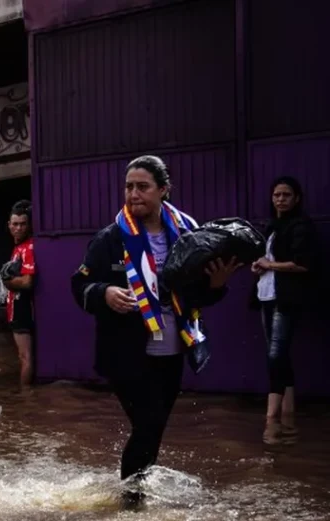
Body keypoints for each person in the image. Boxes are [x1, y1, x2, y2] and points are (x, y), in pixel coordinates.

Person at [71, 155, 241, 500]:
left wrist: (216, 285)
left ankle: (136, 491)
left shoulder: (188, 236)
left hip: (172, 349)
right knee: (148, 424)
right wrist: (105, 293)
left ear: (163, 190)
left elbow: (197, 296)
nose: (134, 194)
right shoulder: (110, 238)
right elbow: (79, 285)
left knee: (154, 428)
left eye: (143, 187)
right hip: (125, 352)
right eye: (129, 186)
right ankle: (130, 504)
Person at [251, 176, 317, 445]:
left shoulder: (301, 227)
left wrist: (270, 265)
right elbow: (267, 261)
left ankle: (271, 419)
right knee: (279, 353)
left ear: (297, 198)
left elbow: (303, 265)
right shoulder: (272, 228)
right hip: (267, 295)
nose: (280, 199)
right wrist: (259, 266)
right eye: (277, 194)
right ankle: (288, 415)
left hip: (287, 298)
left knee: (276, 354)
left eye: (286, 195)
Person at [3, 200, 36, 387]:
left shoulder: (29, 247)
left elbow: (27, 281)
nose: (18, 228)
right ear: (9, 225)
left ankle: (25, 399)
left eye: (23, 224)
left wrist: (3, 281)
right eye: (15, 224)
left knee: (25, 357)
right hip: (15, 307)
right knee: (22, 356)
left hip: (22, 308)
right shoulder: (17, 248)